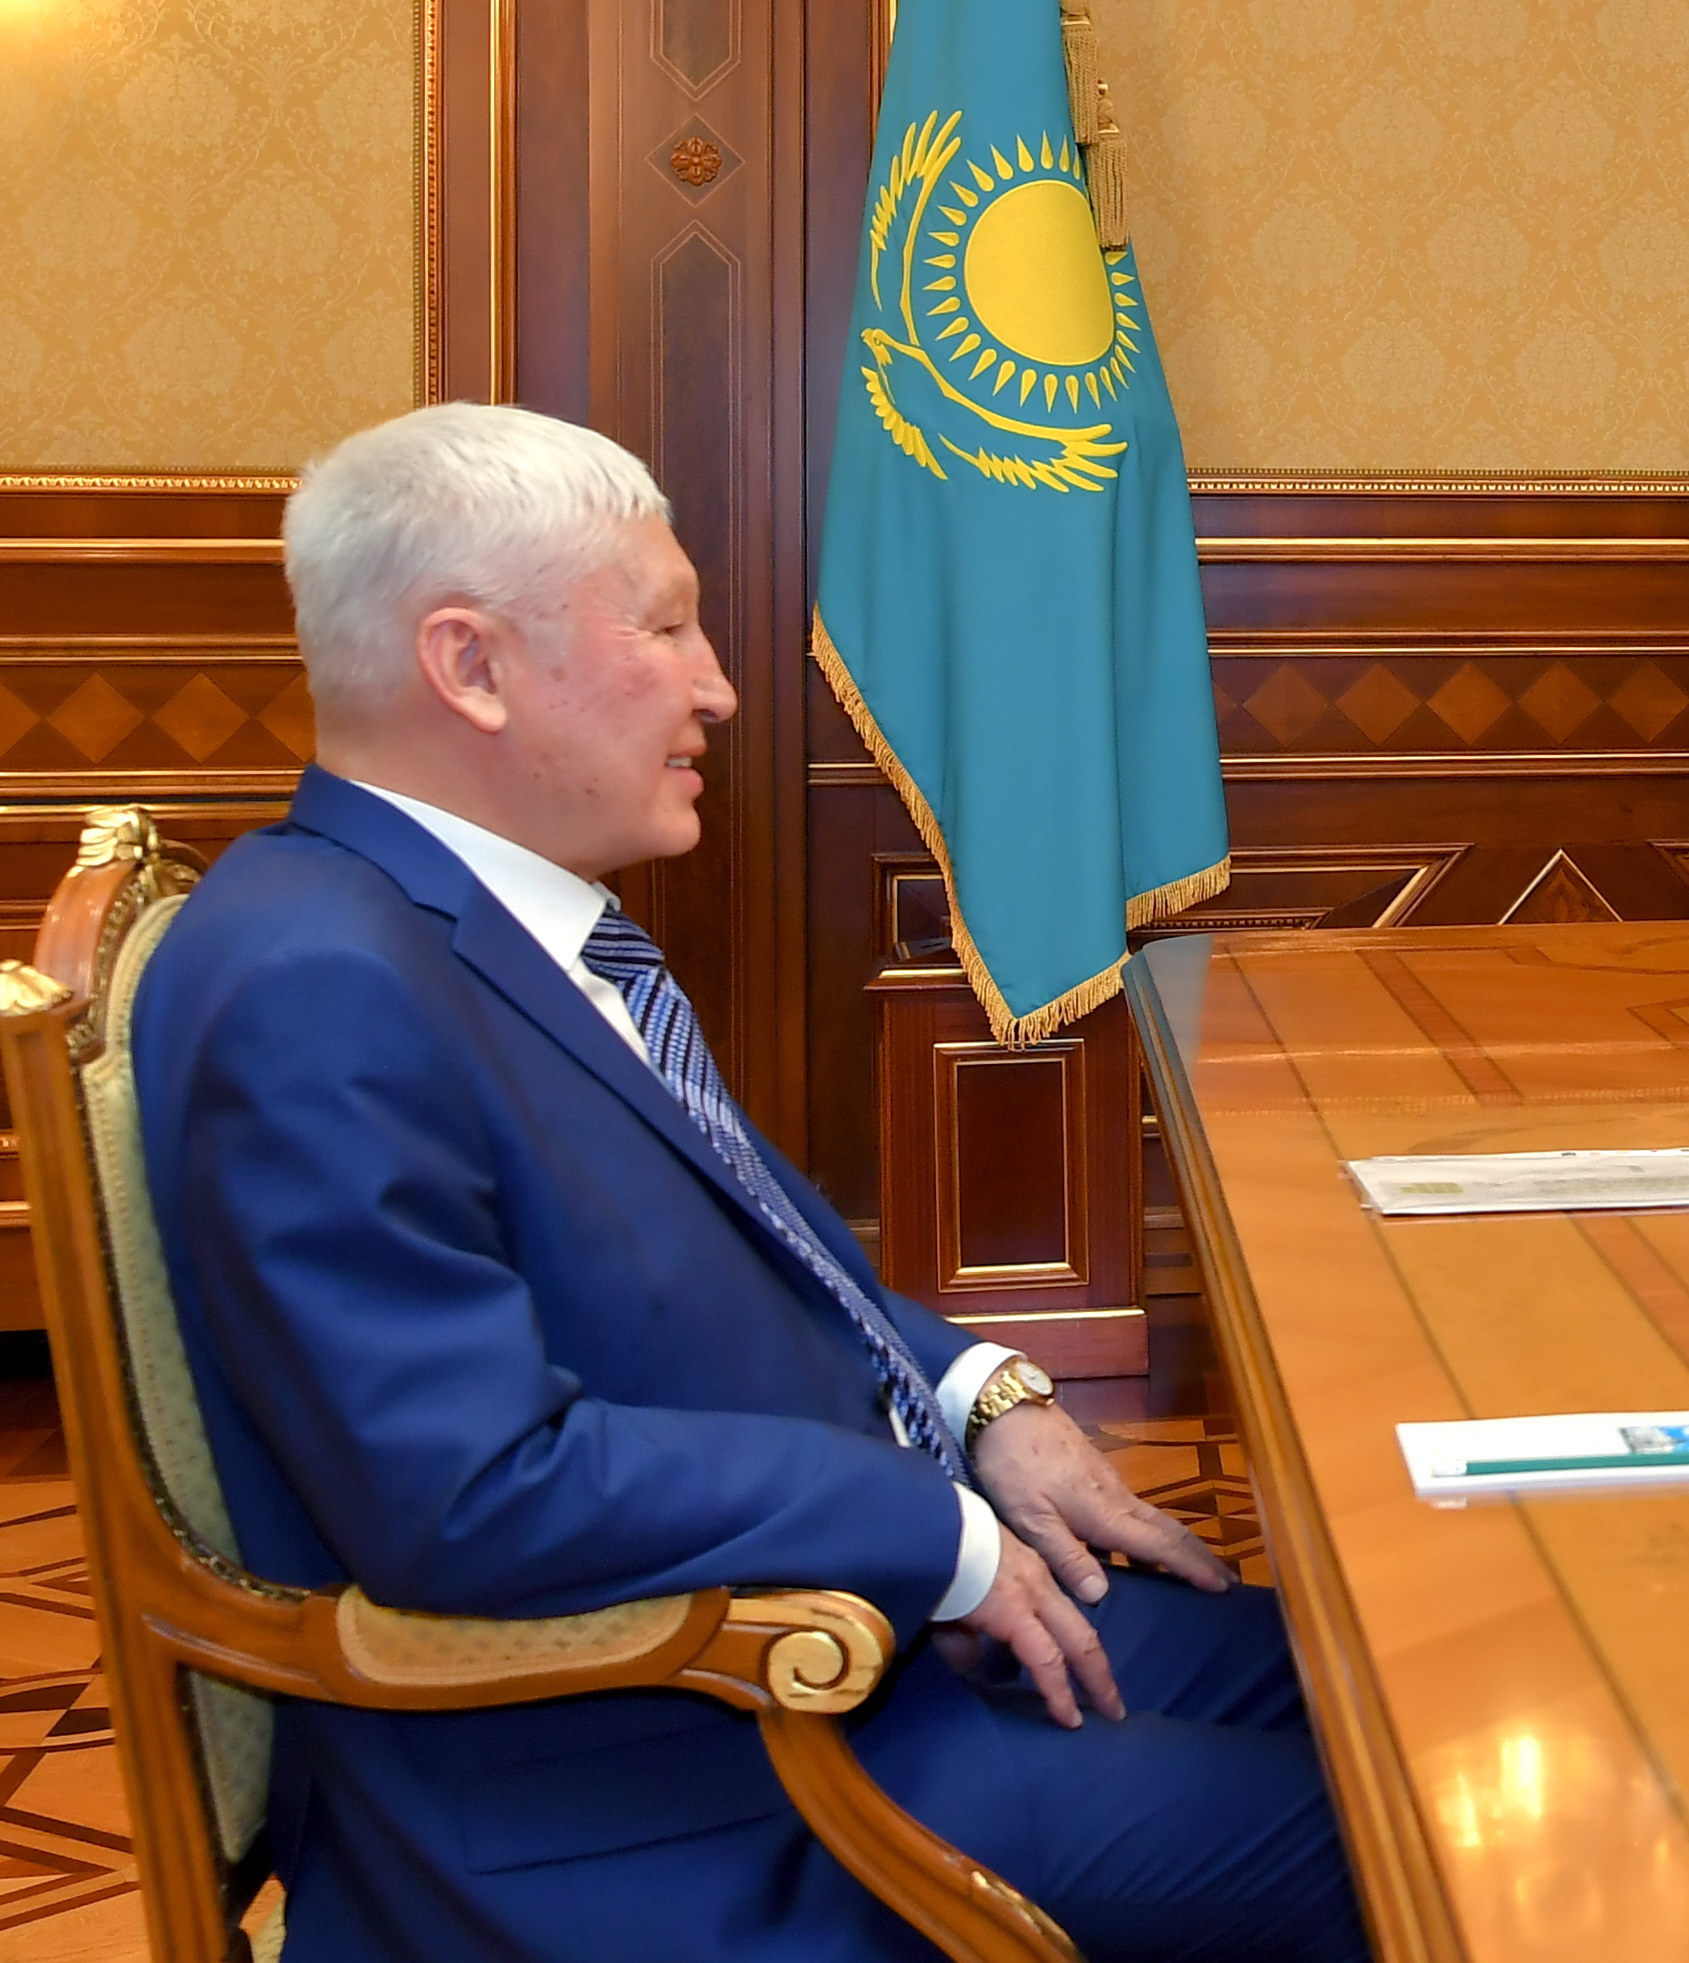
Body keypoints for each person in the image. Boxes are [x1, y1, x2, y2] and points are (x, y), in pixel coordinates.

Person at [140, 402, 1367, 1962]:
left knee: (1401, 1696)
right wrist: (928, 1530)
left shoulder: (483, 922)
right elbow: (469, 1491)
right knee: (1420, 1842)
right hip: (673, 1779)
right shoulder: (318, 984)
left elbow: (760, 1244)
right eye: (665, 626)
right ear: (471, 665)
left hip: (842, 1644)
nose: (718, 684)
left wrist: (982, 1394)